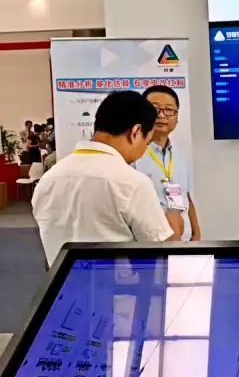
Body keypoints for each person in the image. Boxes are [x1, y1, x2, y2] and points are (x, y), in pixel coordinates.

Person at [32, 91, 180, 267]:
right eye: (146, 143)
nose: (142, 152)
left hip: (60, 283)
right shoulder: (132, 183)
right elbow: (159, 250)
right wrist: (174, 224)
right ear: (135, 132)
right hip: (115, 283)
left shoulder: (48, 179)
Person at [135, 85, 201, 241]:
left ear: (177, 117)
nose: (162, 115)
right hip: (151, 244)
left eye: (169, 110)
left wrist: (196, 234)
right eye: (154, 109)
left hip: (184, 243)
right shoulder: (133, 154)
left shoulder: (181, 154)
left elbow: (186, 196)